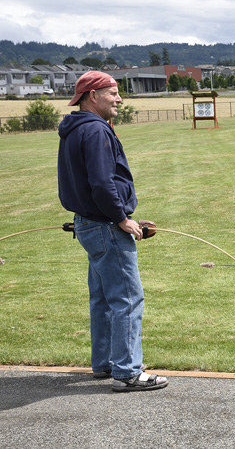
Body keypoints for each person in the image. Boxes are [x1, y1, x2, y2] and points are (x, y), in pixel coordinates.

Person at [57, 71, 168, 392]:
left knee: (104, 299)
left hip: (89, 223)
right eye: (113, 92)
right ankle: (128, 372)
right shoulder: (95, 132)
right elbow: (103, 184)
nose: (119, 99)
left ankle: (105, 363)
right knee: (128, 299)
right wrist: (122, 218)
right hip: (105, 226)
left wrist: (104, 216)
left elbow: (84, 184)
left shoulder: (75, 129)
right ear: (93, 96)